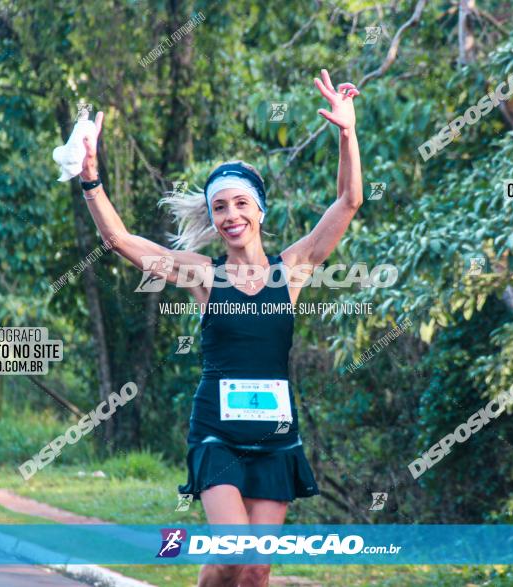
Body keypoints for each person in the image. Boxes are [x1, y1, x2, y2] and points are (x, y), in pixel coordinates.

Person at [78, 69, 362, 587]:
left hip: (276, 433)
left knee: (255, 570)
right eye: (219, 207)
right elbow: (120, 240)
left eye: (239, 203)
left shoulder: (291, 269)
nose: (230, 215)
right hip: (218, 432)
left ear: (258, 209)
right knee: (232, 553)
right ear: (212, 219)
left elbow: (347, 203)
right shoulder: (203, 275)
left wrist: (346, 132)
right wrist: (92, 180)